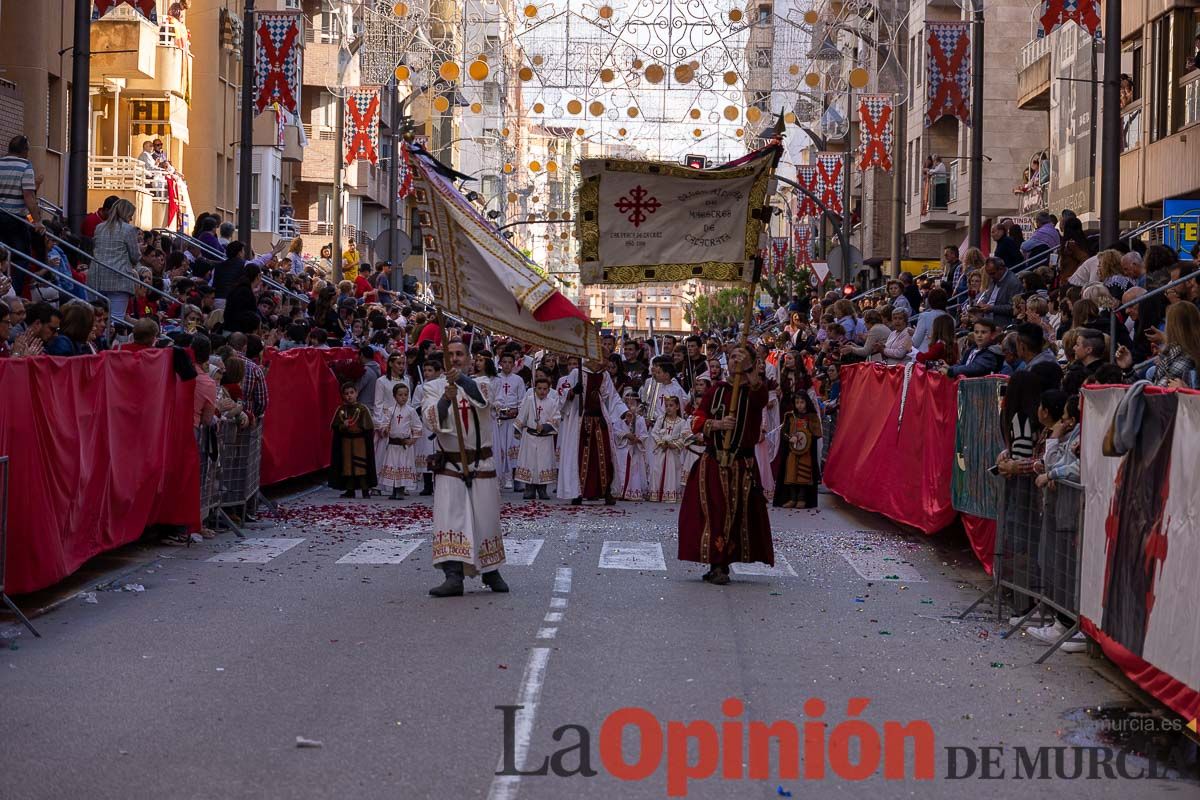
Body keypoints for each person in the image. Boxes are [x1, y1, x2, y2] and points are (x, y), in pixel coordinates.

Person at [678, 343, 774, 586]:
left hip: (742, 464)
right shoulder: (716, 390)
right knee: (715, 513)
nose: (734, 362)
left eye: (739, 358)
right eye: (731, 357)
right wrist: (717, 425)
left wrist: (749, 368)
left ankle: (725, 560)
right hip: (714, 461)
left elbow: (760, 397)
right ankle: (716, 563)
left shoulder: (755, 390)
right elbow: (697, 420)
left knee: (738, 513)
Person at [420, 340, 509, 597]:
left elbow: (481, 399)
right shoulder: (432, 387)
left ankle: (491, 572)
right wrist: (446, 401)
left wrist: (459, 380)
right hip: (450, 464)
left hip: (481, 462)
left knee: (485, 518)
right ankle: (453, 576)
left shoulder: (482, 382)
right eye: (450, 355)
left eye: (460, 354)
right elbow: (431, 421)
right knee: (451, 519)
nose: (455, 358)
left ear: (469, 359)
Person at [556, 357, 622, 505]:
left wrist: (623, 412)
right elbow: (563, 393)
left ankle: (606, 491)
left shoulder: (604, 375)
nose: (605, 363)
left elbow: (612, 396)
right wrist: (573, 392)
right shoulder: (576, 372)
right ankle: (577, 492)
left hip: (599, 421)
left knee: (604, 455)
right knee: (579, 456)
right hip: (581, 421)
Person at [89, 198, 142, 320]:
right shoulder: (129, 229)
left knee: (96, 319)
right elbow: (135, 256)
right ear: (126, 214)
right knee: (116, 320)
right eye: (130, 215)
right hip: (119, 278)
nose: (131, 219)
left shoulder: (99, 227)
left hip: (96, 276)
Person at [514, 376, 561, 500]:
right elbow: (522, 415)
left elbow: (556, 419)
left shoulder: (552, 402)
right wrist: (517, 429)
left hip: (544, 438)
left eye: (545, 389)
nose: (542, 391)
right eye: (539, 388)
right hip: (530, 436)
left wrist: (545, 426)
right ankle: (529, 488)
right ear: (535, 389)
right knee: (530, 461)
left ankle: (542, 489)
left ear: (549, 389)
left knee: (543, 462)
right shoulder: (530, 400)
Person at [773, 392, 823, 509]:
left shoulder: (812, 417)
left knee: (803, 477)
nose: (799, 405)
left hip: (806, 454)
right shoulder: (790, 416)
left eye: (802, 402)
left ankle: (802, 499)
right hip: (792, 453)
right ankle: (792, 499)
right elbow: (783, 432)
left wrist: (806, 437)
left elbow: (816, 434)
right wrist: (790, 438)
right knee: (791, 475)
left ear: (806, 403)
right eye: (797, 402)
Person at [329, 382, 378, 499]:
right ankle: (350, 490)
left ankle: (365, 489)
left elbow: (368, 427)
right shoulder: (341, 410)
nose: (349, 396)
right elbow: (335, 427)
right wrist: (343, 426)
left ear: (356, 393)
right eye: (346, 394)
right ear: (342, 395)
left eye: (351, 393)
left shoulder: (362, 409)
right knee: (347, 466)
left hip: (359, 442)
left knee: (360, 465)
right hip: (346, 441)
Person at [378, 383, 421, 499]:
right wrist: (385, 430)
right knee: (393, 466)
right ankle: (393, 491)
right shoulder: (390, 411)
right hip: (392, 444)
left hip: (404, 445)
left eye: (406, 395)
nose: (403, 397)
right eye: (400, 395)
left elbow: (417, 426)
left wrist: (413, 439)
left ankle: (401, 490)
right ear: (394, 396)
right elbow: (384, 424)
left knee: (403, 465)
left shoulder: (411, 411)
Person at [490, 351, 526, 490]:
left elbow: (522, 399)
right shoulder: (495, 379)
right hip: (498, 419)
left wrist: (517, 410)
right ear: (500, 364)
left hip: (512, 419)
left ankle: (513, 478)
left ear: (513, 364)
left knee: (513, 447)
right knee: (499, 448)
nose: (507, 365)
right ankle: (500, 478)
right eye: (504, 362)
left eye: (510, 362)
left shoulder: (518, 380)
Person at [647, 395, 688, 503]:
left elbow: (683, 437)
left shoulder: (682, 422)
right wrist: (661, 442)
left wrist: (674, 444)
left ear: (677, 407)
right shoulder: (661, 419)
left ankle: (670, 494)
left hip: (673, 453)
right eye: (666, 406)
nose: (668, 408)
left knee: (672, 472)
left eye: (671, 405)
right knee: (657, 470)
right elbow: (654, 432)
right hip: (662, 450)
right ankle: (656, 494)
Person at [611, 388, 647, 502]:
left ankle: (632, 491)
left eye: (632, 404)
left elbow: (644, 435)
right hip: (622, 450)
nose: (629, 406)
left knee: (634, 472)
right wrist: (626, 435)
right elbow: (615, 432)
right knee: (621, 470)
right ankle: (620, 491)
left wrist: (637, 439)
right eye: (627, 403)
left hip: (634, 450)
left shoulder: (640, 420)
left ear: (638, 405)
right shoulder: (619, 420)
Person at [973, 257, 1024, 328]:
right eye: (989, 274)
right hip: (988, 321)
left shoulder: (1013, 283)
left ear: (1001, 269)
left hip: (1001, 325)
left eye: (992, 273)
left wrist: (992, 308)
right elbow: (988, 295)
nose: (990, 276)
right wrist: (982, 302)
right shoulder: (995, 277)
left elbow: (1014, 308)